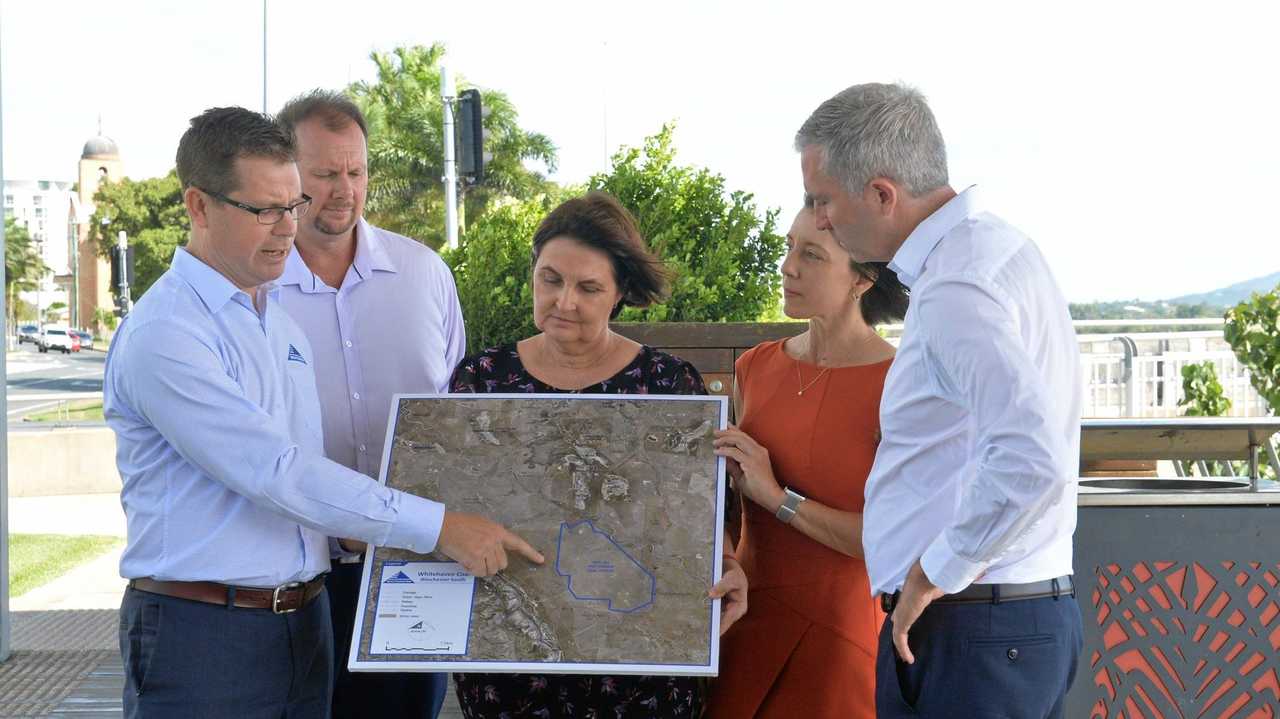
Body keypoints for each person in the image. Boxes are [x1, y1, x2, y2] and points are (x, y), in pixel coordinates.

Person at [105, 106, 542, 718]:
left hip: (301, 625)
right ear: (198, 207)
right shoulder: (167, 333)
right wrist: (441, 527)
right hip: (204, 635)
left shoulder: (272, 317)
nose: (287, 228)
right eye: (264, 210)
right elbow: (277, 473)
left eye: (292, 207)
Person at [795, 82, 1084, 718]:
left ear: (880, 194)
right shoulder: (996, 248)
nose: (819, 219)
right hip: (1003, 620)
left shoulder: (956, 284)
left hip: (972, 626)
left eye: (822, 200)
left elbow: (1032, 459)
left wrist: (933, 575)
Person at [448, 191, 748, 719]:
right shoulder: (481, 379)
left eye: (588, 288)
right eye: (551, 279)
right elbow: (451, 503)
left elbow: (705, 511)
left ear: (619, 294)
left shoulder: (667, 383)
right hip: (515, 656)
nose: (564, 301)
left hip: (641, 665)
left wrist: (726, 565)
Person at [275, 89, 459, 719]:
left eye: (354, 172)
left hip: (413, 565)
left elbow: (453, 404)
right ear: (286, 172)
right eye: (324, 174)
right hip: (297, 577)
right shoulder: (255, 289)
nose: (343, 190)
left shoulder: (425, 273)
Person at [708, 203, 906, 718]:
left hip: (840, 636)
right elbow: (720, 502)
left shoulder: (901, 380)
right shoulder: (755, 366)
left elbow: (893, 539)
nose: (788, 266)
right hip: (741, 620)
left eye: (812, 255)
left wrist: (777, 498)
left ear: (862, 278)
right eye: (789, 247)